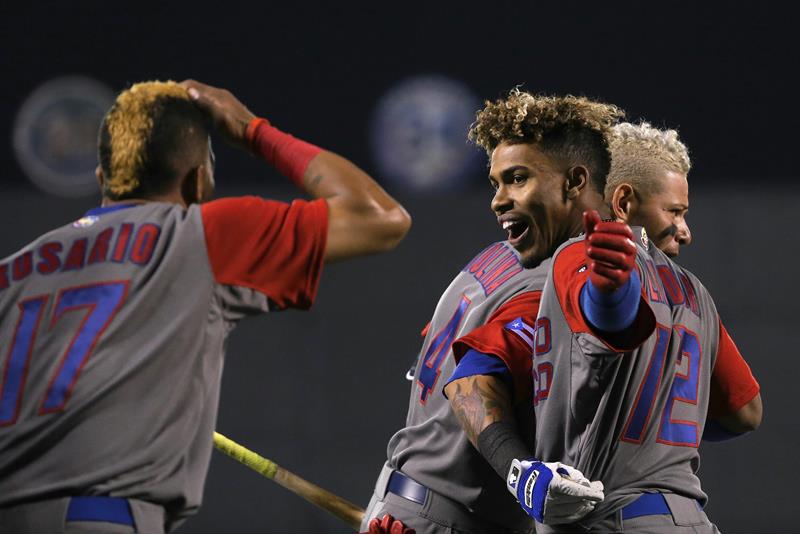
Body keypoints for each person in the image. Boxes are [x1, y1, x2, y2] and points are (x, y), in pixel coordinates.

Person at [0, 79, 411, 534]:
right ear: (200, 180)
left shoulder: (12, 271)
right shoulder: (203, 234)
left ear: (102, 179)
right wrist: (252, 130)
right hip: (100, 518)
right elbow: (379, 216)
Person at [362, 89, 623, 533]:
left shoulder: (499, 256)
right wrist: (523, 474)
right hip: (449, 520)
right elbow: (470, 385)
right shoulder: (550, 279)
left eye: (516, 179)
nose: (498, 200)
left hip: (408, 505)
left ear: (574, 182)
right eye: (500, 181)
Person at [513, 121, 761, 533]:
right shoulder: (695, 291)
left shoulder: (581, 256)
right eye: (675, 212)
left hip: (614, 519)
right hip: (692, 520)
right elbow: (745, 413)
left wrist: (612, 294)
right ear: (624, 201)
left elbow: (609, 319)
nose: (685, 230)